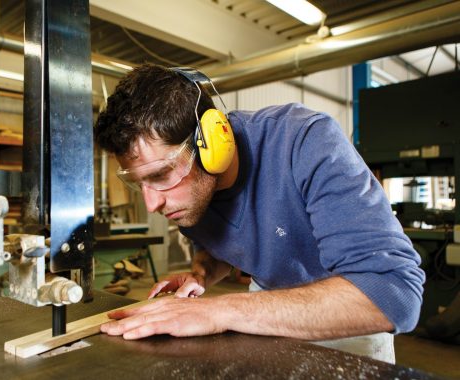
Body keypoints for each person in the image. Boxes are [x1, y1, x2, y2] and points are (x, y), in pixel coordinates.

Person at [94, 64, 425, 363]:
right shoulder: (190, 196)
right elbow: (223, 241)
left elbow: (394, 293)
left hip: (348, 322)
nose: (152, 204)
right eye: (140, 184)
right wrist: (201, 273)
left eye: (161, 175)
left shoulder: (304, 141)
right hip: (259, 319)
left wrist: (220, 311)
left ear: (213, 143)